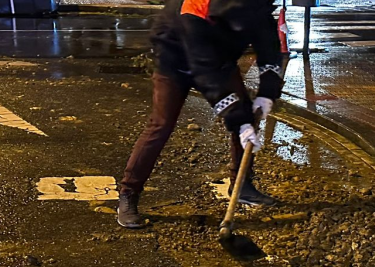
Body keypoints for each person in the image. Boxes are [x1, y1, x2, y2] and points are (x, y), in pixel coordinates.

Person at [117, 0, 283, 229]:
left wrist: (267, 93)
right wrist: (238, 120)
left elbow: (269, 50)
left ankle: (241, 185)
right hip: (174, 62)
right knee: (161, 125)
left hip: (220, 61)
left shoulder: (256, 7)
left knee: (246, 112)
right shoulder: (195, 8)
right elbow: (205, 71)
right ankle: (129, 193)